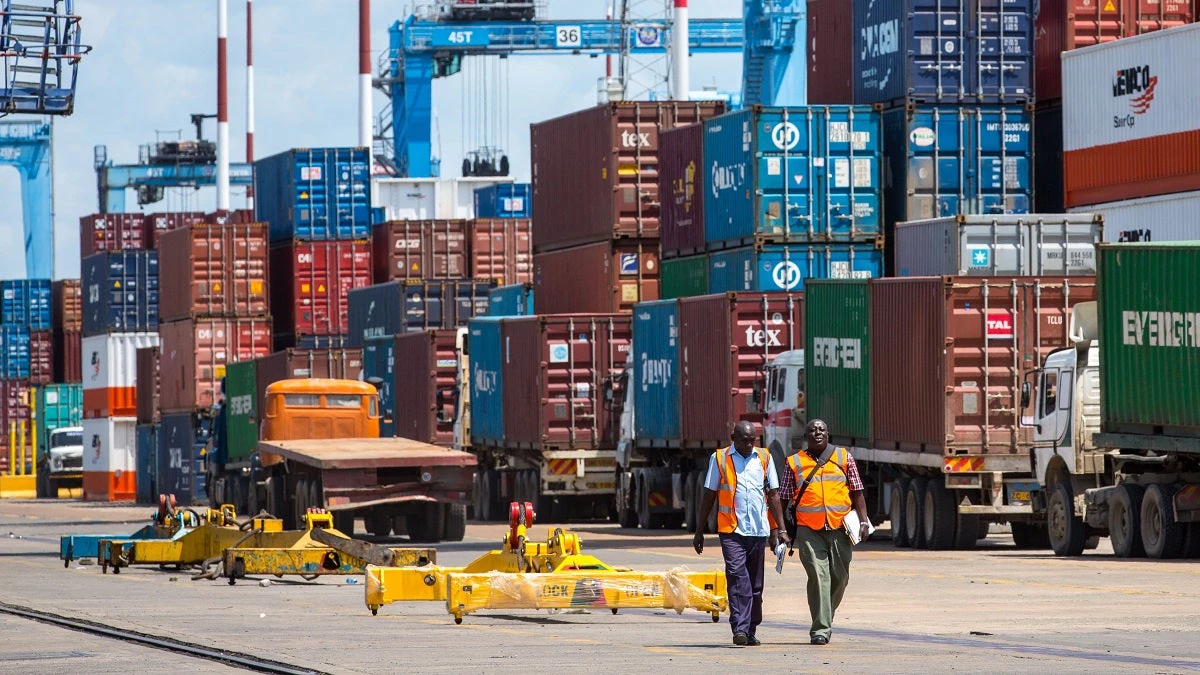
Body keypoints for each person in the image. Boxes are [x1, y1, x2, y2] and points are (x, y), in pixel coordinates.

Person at [694, 421, 789, 647]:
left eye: (752, 440)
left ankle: (751, 629)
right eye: (744, 440)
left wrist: (781, 529)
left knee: (756, 586)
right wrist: (699, 531)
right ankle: (739, 627)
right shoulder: (719, 458)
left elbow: (774, 495)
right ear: (733, 437)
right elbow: (709, 495)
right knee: (738, 578)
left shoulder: (764, 458)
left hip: (757, 530)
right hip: (731, 529)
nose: (749, 444)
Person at [778, 418, 870, 645]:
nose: (817, 433)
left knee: (840, 578)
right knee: (819, 577)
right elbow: (782, 499)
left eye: (821, 430)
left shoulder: (843, 457)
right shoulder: (794, 462)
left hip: (840, 528)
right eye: (812, 430)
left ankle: (825, 614)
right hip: (809, 529)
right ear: (805, 436)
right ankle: (820, 628)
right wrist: (778, 529)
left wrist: (864, 521)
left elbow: (857, 492)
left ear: (828, 434)